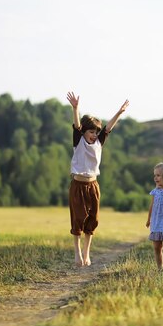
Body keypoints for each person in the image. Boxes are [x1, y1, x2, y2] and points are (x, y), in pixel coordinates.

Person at [66, 91, 129, 267]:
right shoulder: (79, 141)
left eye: (96, 132)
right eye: (91, 131)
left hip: (93, 185)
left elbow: (109, 128)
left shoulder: (99, 143)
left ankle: (87, 254)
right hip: (78, 184)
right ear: (84, 132)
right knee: (78, 217)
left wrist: (119, 112)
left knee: (93, 219)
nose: (94, 135)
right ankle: (77, 254)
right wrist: (75, 108)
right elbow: (77, 127)